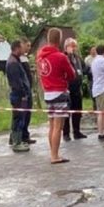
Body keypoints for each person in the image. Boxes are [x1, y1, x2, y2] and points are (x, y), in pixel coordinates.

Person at [36, 27, 77, 164]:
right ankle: (55, 156)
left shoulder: (41, 56)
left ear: (48, 39)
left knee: (52, 125)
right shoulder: (60, 57)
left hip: (47, 93)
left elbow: (41, 74)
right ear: (59, 40)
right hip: (59, 92)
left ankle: (53, 153)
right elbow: (72, 75)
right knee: (58, 127)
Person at [5, 39, 32, 153]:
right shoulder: (13, 63)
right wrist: (23, 94)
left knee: (20, 118)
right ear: (17, 48)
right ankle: (17, 143)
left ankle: (18, 140)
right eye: (21, 46)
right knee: (18, 119)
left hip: (20, 95)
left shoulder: (16, 60)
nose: (23, 49)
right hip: (18, 96)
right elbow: (17, 82)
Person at [63, 37, 89, 140]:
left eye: (75, 46)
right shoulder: (64, 57)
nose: (74, 48)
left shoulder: (77, 58)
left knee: (77, 111)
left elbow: (85, 69)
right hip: (67, 89)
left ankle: (77, 132)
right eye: (72, 46)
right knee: (67, 112)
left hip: (77, 89)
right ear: (66, 47)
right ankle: (66, 133)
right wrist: (68, 55)